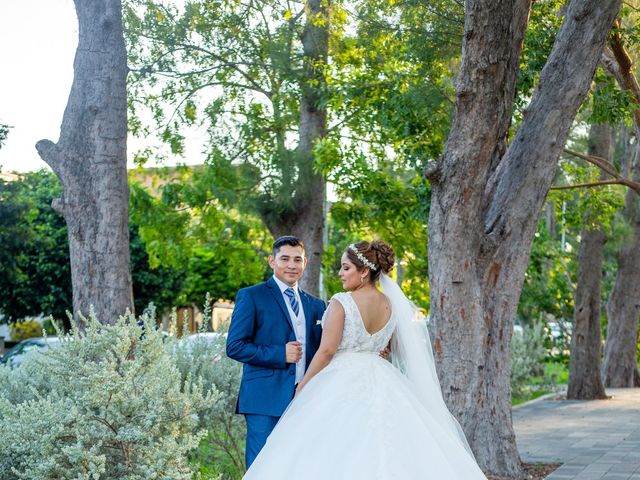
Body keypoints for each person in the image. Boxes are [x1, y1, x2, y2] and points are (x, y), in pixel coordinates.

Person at [243, 240, 488, 479]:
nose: (340, 273)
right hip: (382, 377)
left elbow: (326, 351)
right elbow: (393, 347)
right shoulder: (391, 304)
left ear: (363, 272)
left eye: (346, 267)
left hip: (340, 380)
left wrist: (303, 388)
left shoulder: (343, 302)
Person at [226, 235, 326, 468]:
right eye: (285, 259)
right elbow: (235, 346)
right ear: (272, 261)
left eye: (297, 259)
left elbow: (324, 349)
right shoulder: (252, 296)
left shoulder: (317, 305)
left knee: (297, 464)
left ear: (305, 263)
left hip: (305, 397)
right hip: (264, 398)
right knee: (262, 464)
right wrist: (280, 354)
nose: (291, 265)